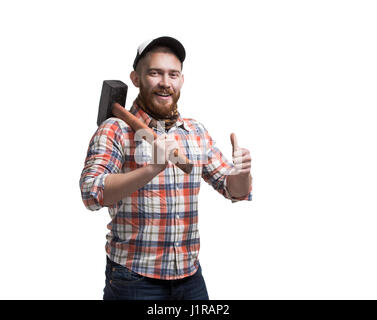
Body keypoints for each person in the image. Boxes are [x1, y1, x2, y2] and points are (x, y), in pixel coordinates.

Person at [79, 36, 252, 300]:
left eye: (173, 74)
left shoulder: (195, 131)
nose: (165, 82)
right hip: (133, 280)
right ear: (135, 78)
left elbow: (234, 191)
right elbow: (91, 194)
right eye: (154, 73)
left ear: (181, 80)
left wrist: (242, 173)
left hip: (191, 278)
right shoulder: (114, 129)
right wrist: (151, 169)